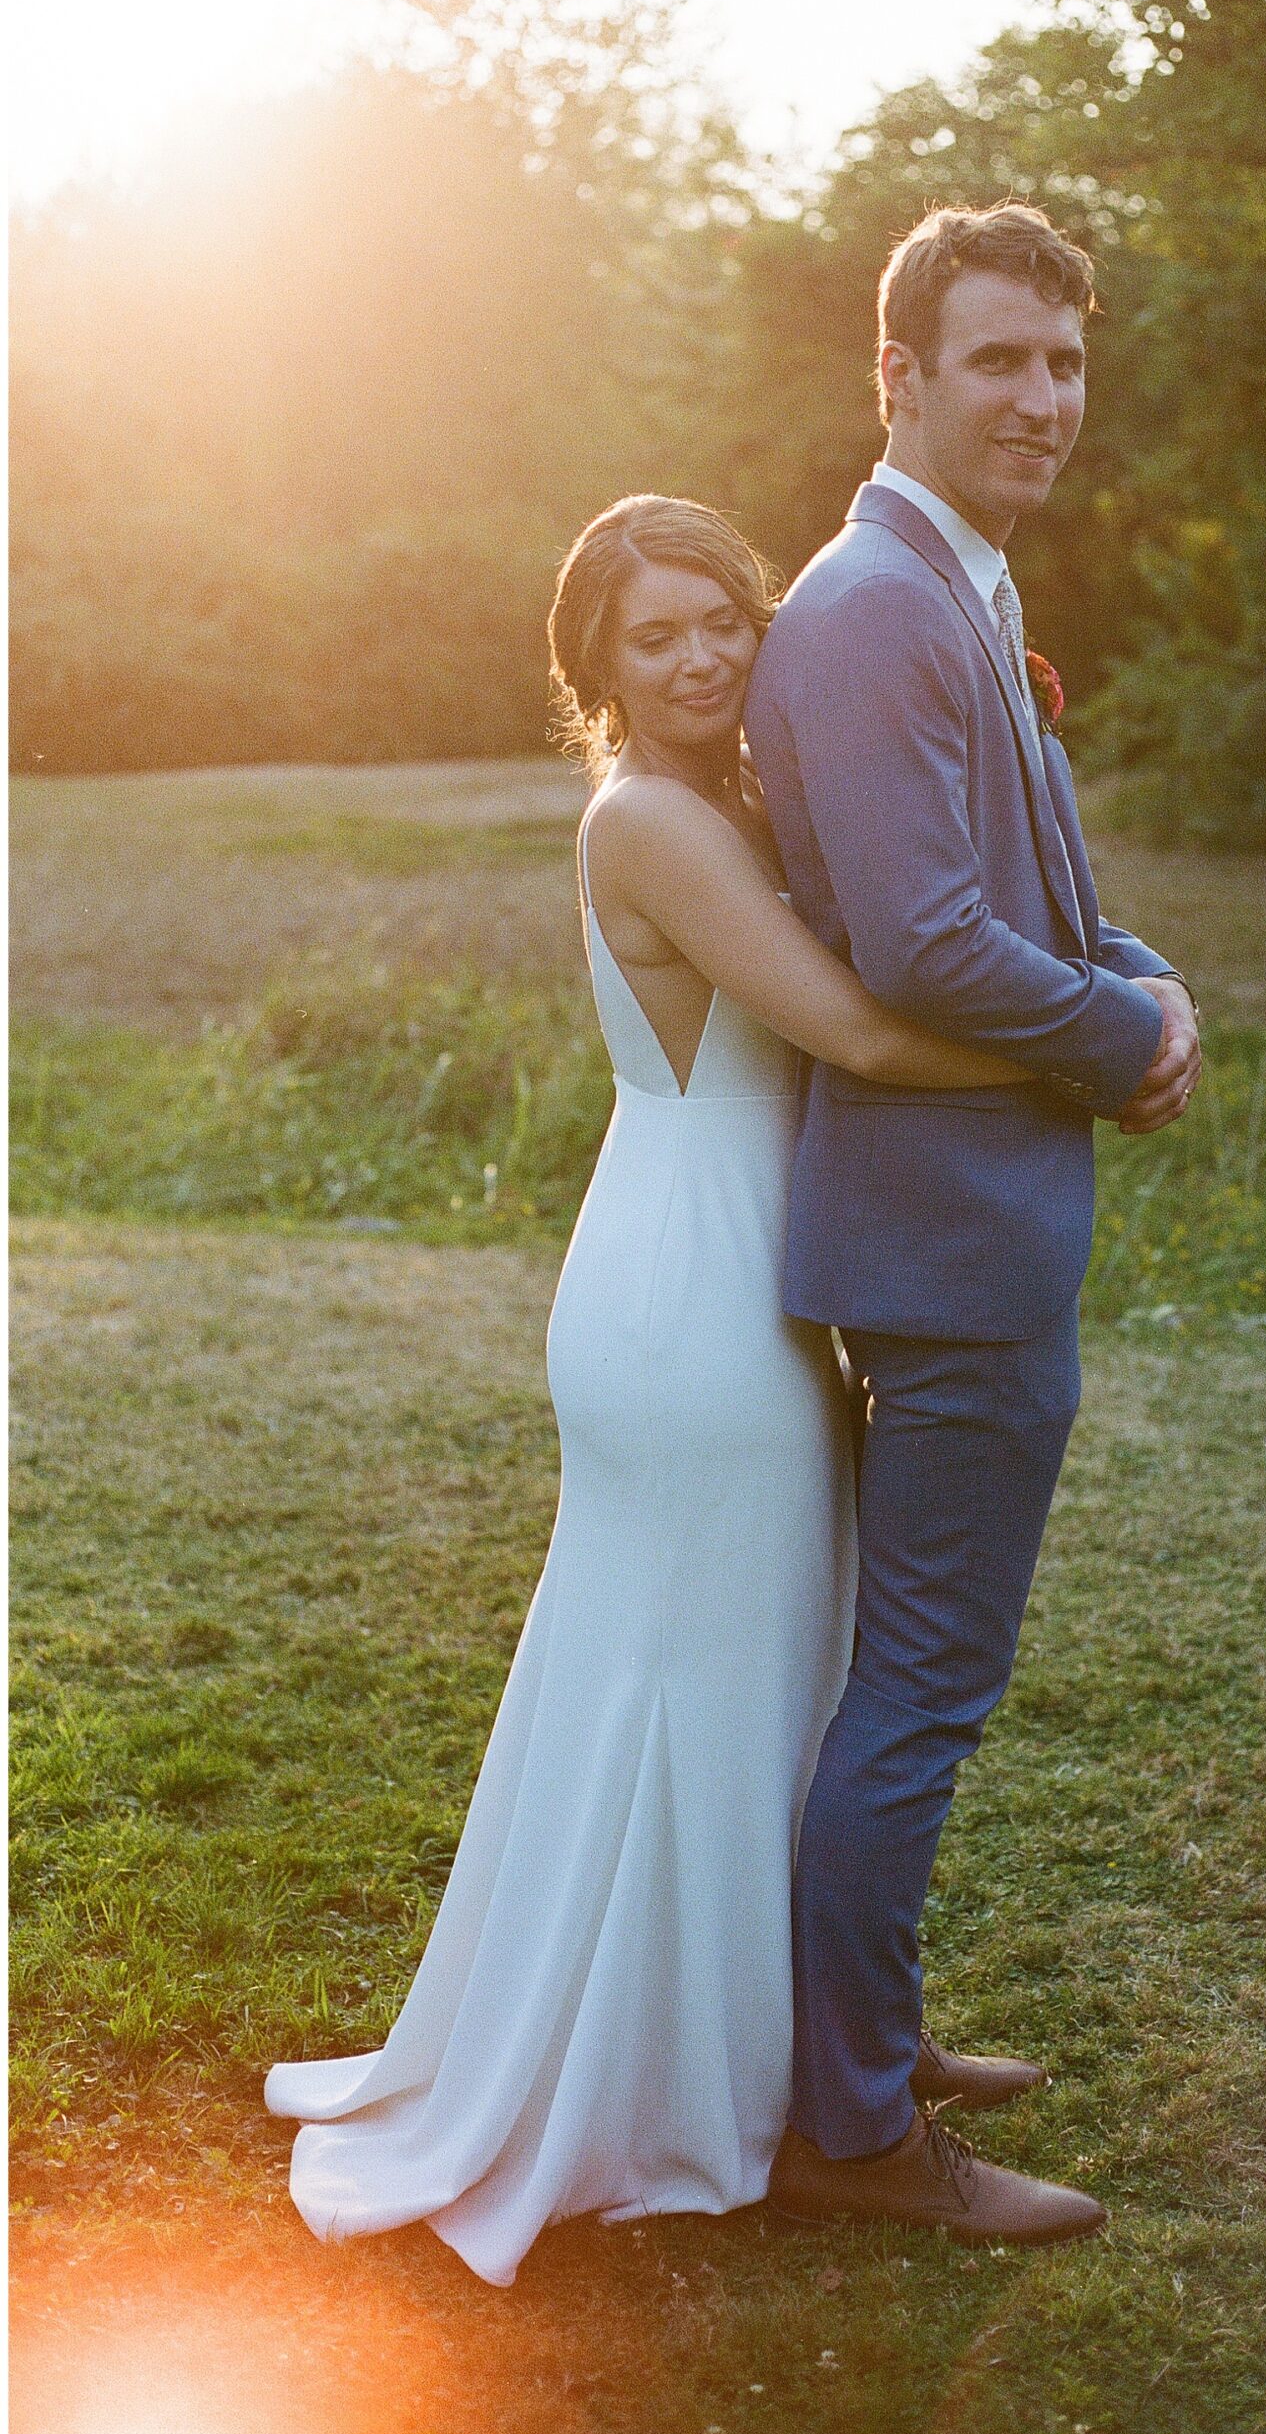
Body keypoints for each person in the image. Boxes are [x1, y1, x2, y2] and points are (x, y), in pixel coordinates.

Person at [263, 493, 1110, 2286]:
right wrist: (1113, 1050)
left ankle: (830, 2046)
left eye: (727, 615)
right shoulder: (651, 822)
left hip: (743, 1270)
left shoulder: (732, 797)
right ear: (600, 674)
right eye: (660, 638)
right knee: (706, 1694)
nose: (710, 654)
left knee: (771, 1687)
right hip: (690, 1290)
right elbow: (867, 1027)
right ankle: (739, 2084)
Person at [745, 202, 1201, 2245]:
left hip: (971, 1221)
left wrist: (1142, 981)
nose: (1042, 395)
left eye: (1066, 362)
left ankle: (869, 2039)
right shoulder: (867, 605)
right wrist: (1118, 1033)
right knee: (921, 1684)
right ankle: (849, 2137)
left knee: (902, 1679)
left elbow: (1028, 880)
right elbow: (927, 936)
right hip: (938, 1239)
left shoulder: (955, 584)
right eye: (1000, 357)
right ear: (902, 375)